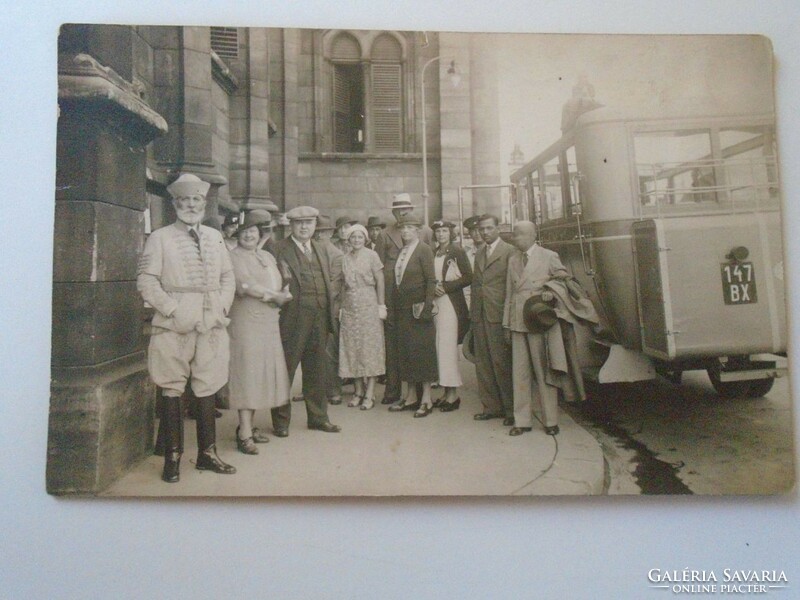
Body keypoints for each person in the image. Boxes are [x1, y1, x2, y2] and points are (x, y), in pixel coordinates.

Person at [137, 173, 236, 483]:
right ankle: (173, 457)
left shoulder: (214, 236)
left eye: (196, 200)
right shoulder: (160, 237)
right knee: (171, 385)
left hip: (211, 322)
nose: (190, 205)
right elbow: (146, 280)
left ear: (203, 204)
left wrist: (221, 307)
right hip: (173, 324)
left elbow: (227, 277)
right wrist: (171, 309)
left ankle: (207, 454)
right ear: (175, 203)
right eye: (184, 200)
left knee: (208, 384)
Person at [271, 206, 342, 436]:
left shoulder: (321, 249)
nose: (304, 227)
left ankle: (319, 418)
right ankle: (281, 422)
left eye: (309, 223)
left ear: (314, 225)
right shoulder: (278, 249)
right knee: (286, 369)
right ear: (291, 225)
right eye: (299, 223)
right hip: (293, 318)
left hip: (320, 317)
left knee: (317, 370)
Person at [227, 210, 293, 454]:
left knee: (259, 373)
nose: (248, 236)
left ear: (259, 234)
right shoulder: (233, 257)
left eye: (253, 232)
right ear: (238, 234)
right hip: (246, 320)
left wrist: (282, 294)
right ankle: (244, 432)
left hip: (267, 321)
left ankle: (248, 425)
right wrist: (275, 296)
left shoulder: (265, 255)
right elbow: (243, 285)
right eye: (244, 232)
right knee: (247, 373)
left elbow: (276, 280)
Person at [502, 221, 570, 436]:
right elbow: (509, 294)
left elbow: (564, 279)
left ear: (532, 235)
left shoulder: (548, 256)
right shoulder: (513, 259)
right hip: (518, 321)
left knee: (543, 371)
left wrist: (551, 290)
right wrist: (506, 323)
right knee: (519, 373)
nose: (515, 238)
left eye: (519, 234)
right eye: (514, 234)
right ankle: (522, 420)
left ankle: (550, 420)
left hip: (539, 320)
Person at [376, 193, 433, 405]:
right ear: (393, 212)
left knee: (417, 344)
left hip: (416, 298)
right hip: (393, 297)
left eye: (406, 209)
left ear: (411, 210)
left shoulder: (425, 232)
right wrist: (381, 301)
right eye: (398, 210)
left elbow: (429, 266)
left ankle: (420, 394)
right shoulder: (384, 235)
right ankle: (393, 390)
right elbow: (379, 268)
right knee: (394, 345)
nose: (402, 214)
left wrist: (428, 301)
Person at [386, 215, 438, 417]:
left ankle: (426, 399)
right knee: (405, 353)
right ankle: (410, 397)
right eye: (403, 228)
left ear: (418, 230)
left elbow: (431, 280)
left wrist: (426, 306)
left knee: (422, 353)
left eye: (409, 228)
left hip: (418, 310)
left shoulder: (423, 250)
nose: (405, 231)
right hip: (402, 309)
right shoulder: (402, 251)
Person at [470, 214, 516, 425]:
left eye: (489, 228)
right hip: (480, 314)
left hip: (498, 314)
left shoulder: (509, 251)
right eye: (482, 229)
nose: (485, 232)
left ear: (498, 228)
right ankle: (491, 407)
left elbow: (512, 286)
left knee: (501, 363)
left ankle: (510, 410)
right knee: (484, 363)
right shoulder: (480, 252)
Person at [338, 224, 387, 410]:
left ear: (364, 239)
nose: (356, 240)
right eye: (353, 237)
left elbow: (380, 280)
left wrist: (381, 305)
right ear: (348, 240)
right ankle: (358, 390)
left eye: (360, 237)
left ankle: (370, 392)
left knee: (369, 347)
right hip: (350, 306)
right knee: (352, 348)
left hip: (368, 304)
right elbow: (343, 284)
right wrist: (342, 307)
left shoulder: (372, 255)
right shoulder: (345, 258)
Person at [431, 220, 472, 411]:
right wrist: (433, 288)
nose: (441, 235)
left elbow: (468, 277)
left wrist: (445, 288)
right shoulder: (434, 252)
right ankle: (445, 392)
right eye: (438, 231)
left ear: (450, 233)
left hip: (451, 305)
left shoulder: (457, 251)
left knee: (447, 348)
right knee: (439, 347)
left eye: (444, 231)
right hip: (436, 303)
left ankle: (453, 396)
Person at [314, 214, 346, 405]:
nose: (318, 237)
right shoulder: (309, 251)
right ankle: (312, 389)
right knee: (311, 350)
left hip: (329, 309)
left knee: (329, 351)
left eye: (322, 233)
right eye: (316, 233)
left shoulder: (336, 255)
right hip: (311, 307)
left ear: (329, 233)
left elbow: (334, 287)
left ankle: (333, 389)